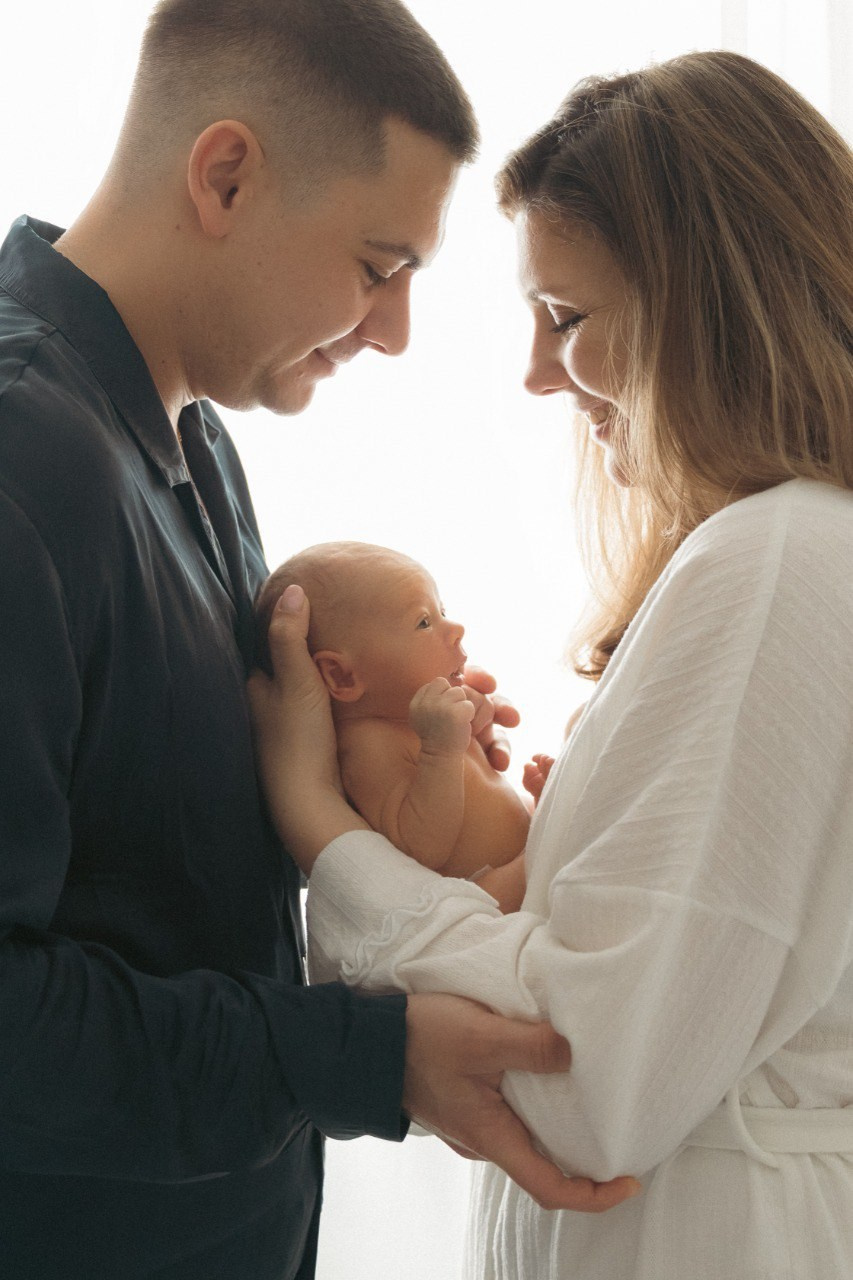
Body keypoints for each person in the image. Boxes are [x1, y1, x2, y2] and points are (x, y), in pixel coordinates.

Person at [0, 1, 639, 1276]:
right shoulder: (24, 455)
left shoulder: (200, 451)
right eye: (376, 263)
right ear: (226, 174)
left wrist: (398, 791)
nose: (394, 328)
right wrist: (363, 1054)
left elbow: (152, 869)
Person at [250, 49, 853, 1279]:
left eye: (567, 319)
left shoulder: (778, 556)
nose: (536, 372)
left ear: (707, 300)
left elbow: (582, 1078)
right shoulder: (793, 548)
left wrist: (326, 829)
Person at [256, 541, 543, 911]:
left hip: (515, 857)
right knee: (564, 841)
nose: (456, 628)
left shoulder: (419, 713)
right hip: (486, 893)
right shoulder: (368, 743)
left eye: (442, 611)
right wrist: (440, 751)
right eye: (424, 622)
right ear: (342, 676)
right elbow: (420, 846)